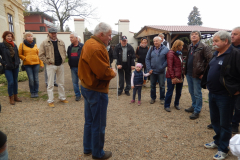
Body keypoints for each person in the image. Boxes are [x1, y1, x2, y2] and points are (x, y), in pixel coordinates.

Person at [78, 22, 116, 160]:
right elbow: (103, 73)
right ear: (101, 35)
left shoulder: (89, 43)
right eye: (109, 35)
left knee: (89, 121)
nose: (110, 38)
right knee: (98, 123)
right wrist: (112, 72)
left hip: (88, 87)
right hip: (96, 90)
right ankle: (97, 153)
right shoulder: (97, 48)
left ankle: (87, 148)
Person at [201, 30, 240, 160]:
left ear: (225, 41)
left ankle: (223, 148)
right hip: (212, 94)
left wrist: (237, 90)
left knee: (225, 123)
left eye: (216, 41)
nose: (214, 43)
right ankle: (217, 141)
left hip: (225, 96)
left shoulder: (235, 55)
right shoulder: (216, 54)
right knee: (215, 120)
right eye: (213, 41)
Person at [184, 30, 212, 120]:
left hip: (197, 74)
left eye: (196, 34)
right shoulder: (190, 46)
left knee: (197, 93)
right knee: (191, 91)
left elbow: (210, 60)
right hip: (189, 73)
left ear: (199, 37)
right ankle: (194, 106)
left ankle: (197, 111)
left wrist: (204, 73)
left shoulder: (204, 46)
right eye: (192, 34)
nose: (194, 36)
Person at [39, 28, 68, 107]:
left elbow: (64, 52)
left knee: (61, 83)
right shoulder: (44, 43)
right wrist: (48, 62)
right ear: (49, 33)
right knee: (50, 84)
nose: (53, 34)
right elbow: (41, 55)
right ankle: (50, 100)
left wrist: (63, 59)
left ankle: (62, 97)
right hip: (51, 65)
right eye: (52, 33)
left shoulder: (61, 42)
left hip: (60, 65)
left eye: (55, 33)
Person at [18, 32, 44, 98]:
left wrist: (41, 63)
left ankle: (36, 91)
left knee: (36, 79)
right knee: (31, 79)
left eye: (31, 36)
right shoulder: (22, 45)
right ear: (25, 37)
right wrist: (24, 58)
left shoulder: (34, 44)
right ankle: (32, 92)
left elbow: (38, 54)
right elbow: (19, 54)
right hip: (27, 64)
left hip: (36, 64)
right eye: (29, 36)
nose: (30, 37)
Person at [0, 31, 22, 105]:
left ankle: (15, 96)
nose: (9, 37)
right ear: (4, 37)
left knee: (15, 82)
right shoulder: (1, 45)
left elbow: (17, 55)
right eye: (8, 36)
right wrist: (4, 63)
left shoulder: (14, 45)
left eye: (10, 36)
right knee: (11, 82)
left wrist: (18, 62)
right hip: (7, 67)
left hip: (15, 66)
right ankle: (11, 97)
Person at [146, 36, 169, 105]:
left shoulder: (165, 49)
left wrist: (162, 67)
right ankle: (153, 98)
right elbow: (147, 59)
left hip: (161, 71)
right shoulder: (151, 49)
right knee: (152, 85)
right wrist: (149, 68)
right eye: (154, 41)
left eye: (157, 41)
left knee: (162, 85)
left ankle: (162, 98)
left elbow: (168, 59)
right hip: (152, 71)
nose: (155, 42)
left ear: (161, 41)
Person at [164, 40, 184, 112]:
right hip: (171, 76)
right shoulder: (170, 53)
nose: (182, 47)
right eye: (181, 45)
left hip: (180, 75)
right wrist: (173, 77)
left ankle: (176, 104)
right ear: (178, 46)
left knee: (179, 91)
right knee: (170, 91)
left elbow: (180, 65)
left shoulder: (179, 54)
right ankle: (167, 105)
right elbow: (170, 66)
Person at [67, 32, 84, 101]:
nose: (70, 39)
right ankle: (77, 95)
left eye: (72, 37)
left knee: (83, 82)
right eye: (70, 37)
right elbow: (68, 56)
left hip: (81, 68)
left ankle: (85, 94)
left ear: (76, 38)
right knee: (75, 83)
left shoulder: (82, 46)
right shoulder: (70, 47)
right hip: (73, 68)